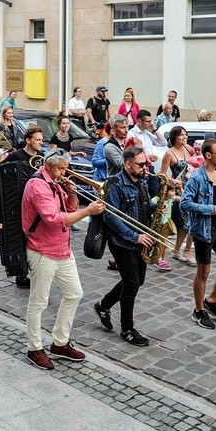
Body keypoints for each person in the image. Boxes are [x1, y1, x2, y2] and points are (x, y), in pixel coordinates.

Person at [22, 148, 105, 369]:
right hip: (42, 251)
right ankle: (34, 348)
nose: (64, 173)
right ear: (49, 166)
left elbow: (68, 208)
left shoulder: (55, 182)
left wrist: (72, 193)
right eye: (61, 169)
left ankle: (59, 342)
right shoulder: (38, 185)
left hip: (62, 250)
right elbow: (53, 219)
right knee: (39, 302)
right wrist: (88, 211)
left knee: (75, 293)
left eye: (65, 169)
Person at [94, 146, 154, 347]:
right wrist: (135, 237)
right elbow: (110, 216)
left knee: (137, 281)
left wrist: (159, 204)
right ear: (128, 164)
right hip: (122, 242)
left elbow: (143, 206)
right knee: (131, 284)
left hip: (141, 240)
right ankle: (127, 328)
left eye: (145, 163)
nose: (145, 168)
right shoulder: (116, 183)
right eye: (141, 164)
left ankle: (103, 305)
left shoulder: (141, 182)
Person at [180, 139, 216, 329]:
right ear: (208, 155)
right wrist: (211, 209)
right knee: (203, 272)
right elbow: (185, 203)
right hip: (204, 231)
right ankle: (198, 310)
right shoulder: (197, 178)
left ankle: (211, 301)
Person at [161, 125, 195, 266]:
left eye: (186, 134)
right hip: (178, 191)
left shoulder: (188, 149)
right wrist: (172, 181)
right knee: (181, 222)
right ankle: (164, 253)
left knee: (189, 223)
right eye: (181, 135)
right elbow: (161, 175)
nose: (184, 137)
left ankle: (179, 250)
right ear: (174, 137)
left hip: (191, 188)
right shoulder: (169, 153)